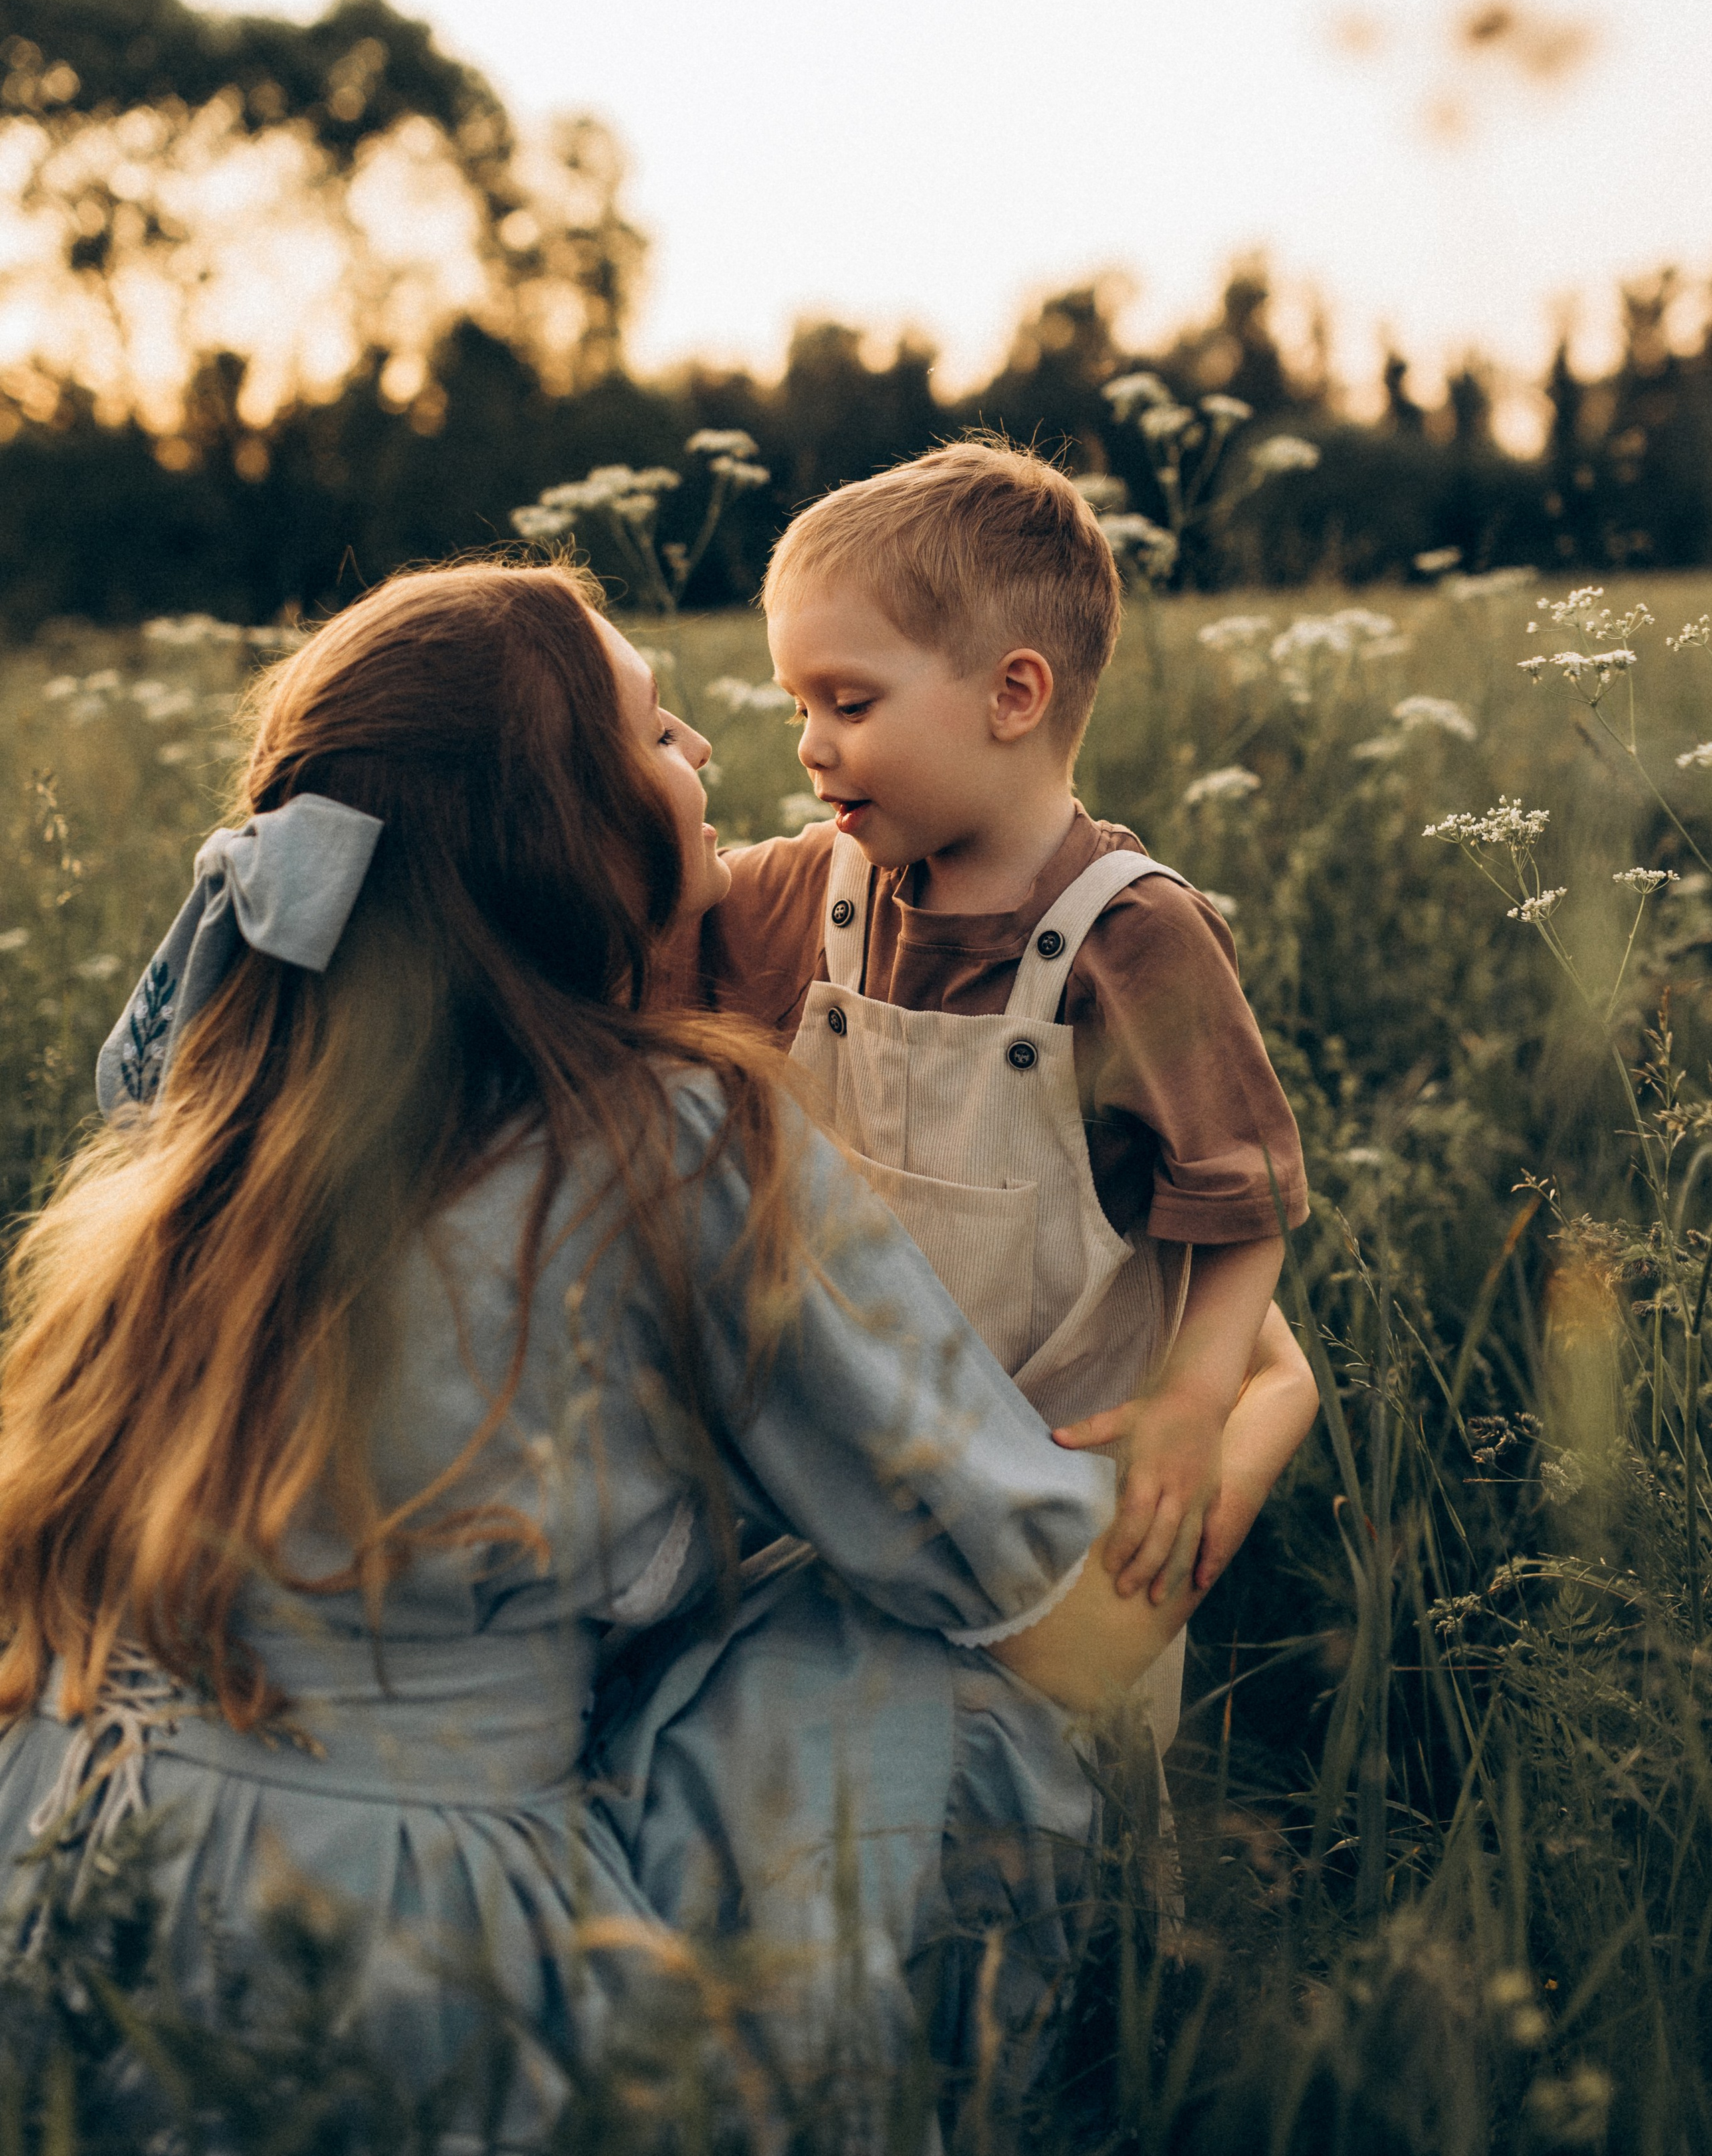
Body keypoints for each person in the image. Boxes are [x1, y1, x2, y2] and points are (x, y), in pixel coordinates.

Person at [0, 558, 1232, 2144]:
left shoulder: (204, 1135)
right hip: (395, 1948)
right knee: (914, 1664)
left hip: (56, 1865)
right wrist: (1251, 1400)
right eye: (658, 732)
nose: (711, 755)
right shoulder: (673, 1139)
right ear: (563, 827)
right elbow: (1075, 1628)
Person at [657, 439, 1317, 1779]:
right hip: (839, 1488)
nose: (808, 744)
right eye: (796, 703)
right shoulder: (813, 891)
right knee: (806, 1786)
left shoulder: (1134, 942)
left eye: (847, 700)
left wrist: (1197, 1397)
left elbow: (1244, 1198)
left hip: (1056, 1526)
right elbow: (637, 963)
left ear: (1013, 694)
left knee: (1054, 1835)